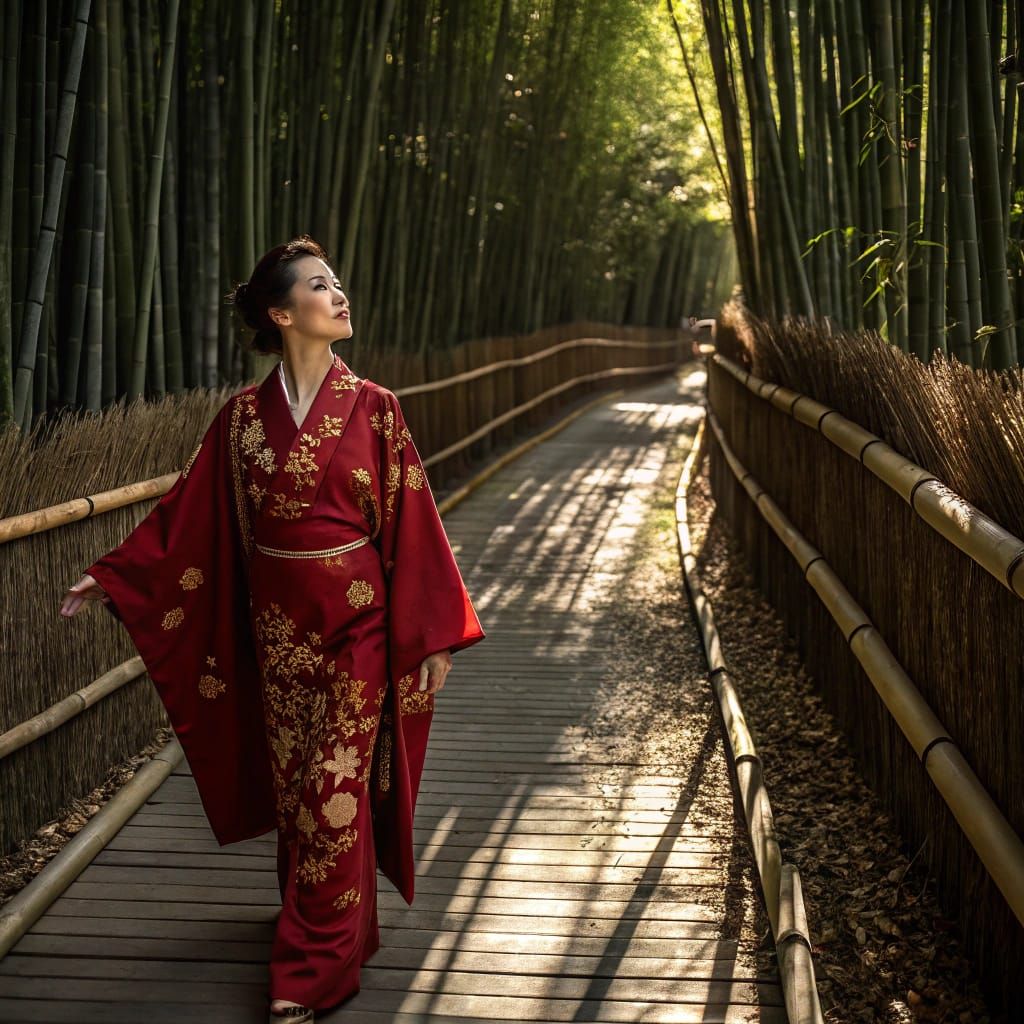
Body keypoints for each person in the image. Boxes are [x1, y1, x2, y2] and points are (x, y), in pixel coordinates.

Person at [60, 236, 486, 1022]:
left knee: (333, 787)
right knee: (302, 795)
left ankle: (309, 969)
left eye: (338, 284)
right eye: (322, 286)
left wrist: (431, 637)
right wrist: (115, 574)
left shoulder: (377, 409)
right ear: (282, 312)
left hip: (359, 627)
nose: (340, 295)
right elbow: (189, 520)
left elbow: (415, 524)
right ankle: (340, 924)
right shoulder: (242, 421)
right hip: (278, 637)